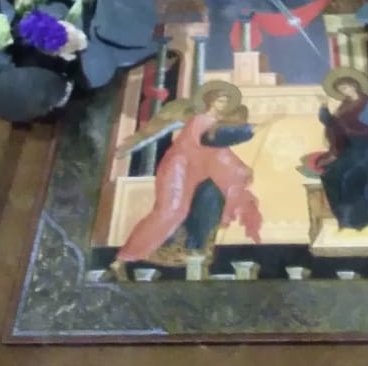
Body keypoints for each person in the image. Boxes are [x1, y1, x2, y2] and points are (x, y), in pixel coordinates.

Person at [112, 83, 263, 271]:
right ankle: (125, 257)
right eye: (220, 101)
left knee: (209, 200)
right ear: (210, 101)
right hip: (179, 168)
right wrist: (250, 132)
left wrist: (241, 168)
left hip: (198, 170)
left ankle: (191, 249)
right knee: (172, 209)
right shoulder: (200, 120)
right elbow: (216, 142)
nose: (223, 105)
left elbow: (220, 152)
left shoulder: (215, 123)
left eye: (226, 102)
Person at [316, 70, 368, 232]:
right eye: (341, 90)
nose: (345, 91)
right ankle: (343, 218)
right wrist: (324, 108)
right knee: (331, 175)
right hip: (352, 149)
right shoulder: (344, 107)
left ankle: (360, 220)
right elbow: (333, 125)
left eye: (346, 87)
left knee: (351, 178)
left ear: (355, 85)